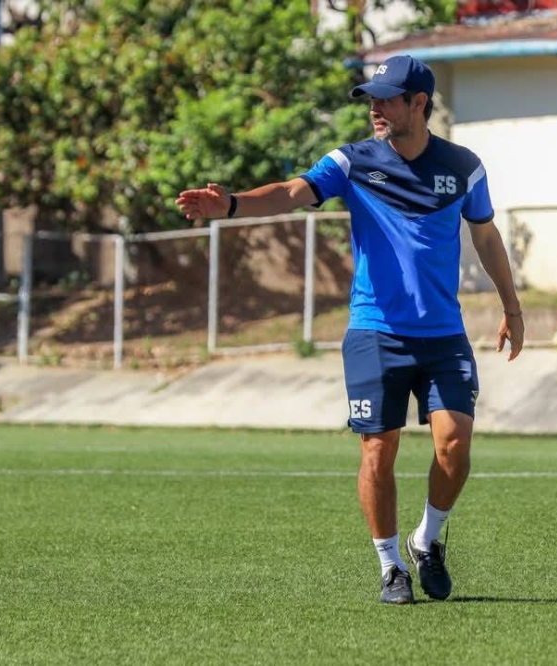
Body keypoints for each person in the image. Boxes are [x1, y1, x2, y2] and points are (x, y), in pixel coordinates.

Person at [175, 54, 523, 605]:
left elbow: (485, 236)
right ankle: (391, 567)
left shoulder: (463, 166)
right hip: (375, 332)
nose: (376, 109)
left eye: (386, 98)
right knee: (376, 451)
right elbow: (293, 192)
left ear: (419, 105)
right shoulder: (352, 161)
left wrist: (512, 305)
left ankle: (426, 542)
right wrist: (234, 204)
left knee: (455, 447)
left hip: (442, 335)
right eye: (372, 99)